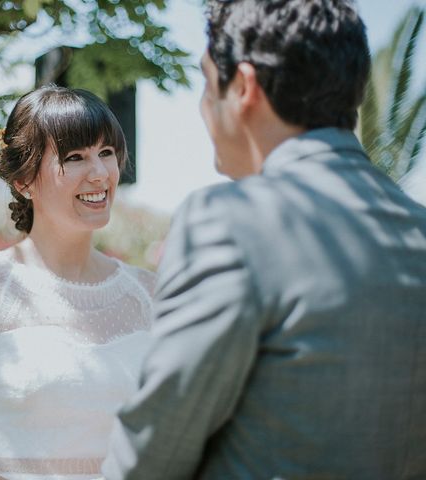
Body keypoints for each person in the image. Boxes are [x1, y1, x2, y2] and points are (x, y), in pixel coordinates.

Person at [102, 0, 426, 479]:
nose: (202, 108)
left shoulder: (228, 223)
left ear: (244, 88)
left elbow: (150, 459)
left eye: (207, 84)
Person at [0, 85, 155, 480]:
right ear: (23, 181)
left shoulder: (151, 295)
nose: (100, 173)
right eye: (75, 157)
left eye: (106, 153)